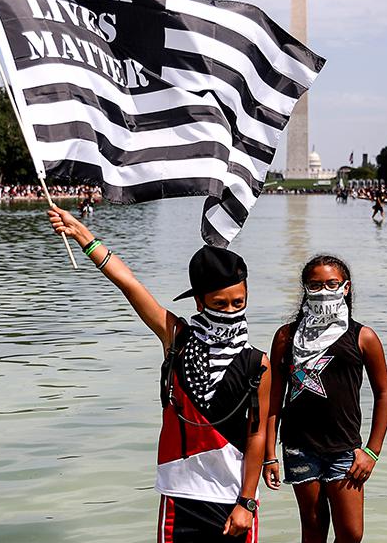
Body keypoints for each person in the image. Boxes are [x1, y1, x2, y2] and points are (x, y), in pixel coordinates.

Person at [46, 208, 270, 542]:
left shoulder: (258, 364)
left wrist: (247, 502)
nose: (230, 312)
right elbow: (130, 285)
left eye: (238, 303)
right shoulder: (177, 339)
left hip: (232, 498)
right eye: (220, 304)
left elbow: (257, 435)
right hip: (180, 494)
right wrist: (83, 236)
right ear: (199, 303)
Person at [264, 255, 387, 543]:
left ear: (346, 288)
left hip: (345, 448)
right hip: (299, 446)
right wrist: (268, 455)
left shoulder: (364, 337)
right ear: (305, 289)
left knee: (351, 533)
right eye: (315, 285)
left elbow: (383, 394)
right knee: (313, 531)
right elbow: (274, 398)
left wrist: (372, 451)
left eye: (332, 284)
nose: (324, 291)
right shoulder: (286, 337)